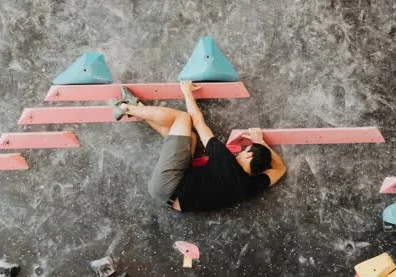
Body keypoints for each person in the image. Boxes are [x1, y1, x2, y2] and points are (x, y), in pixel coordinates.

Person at [111, 81, 286, 212]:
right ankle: (139, 107)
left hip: (167, 186)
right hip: (174, 198)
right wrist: (261, 144)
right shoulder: (250, 187)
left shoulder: (225, 160)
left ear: (249, 156)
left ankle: (125, 107)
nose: (239, 152)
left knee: (183, 119)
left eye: (244, 150)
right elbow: (280, 169)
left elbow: (198, 121)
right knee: (189, 138)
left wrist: (187, 92)